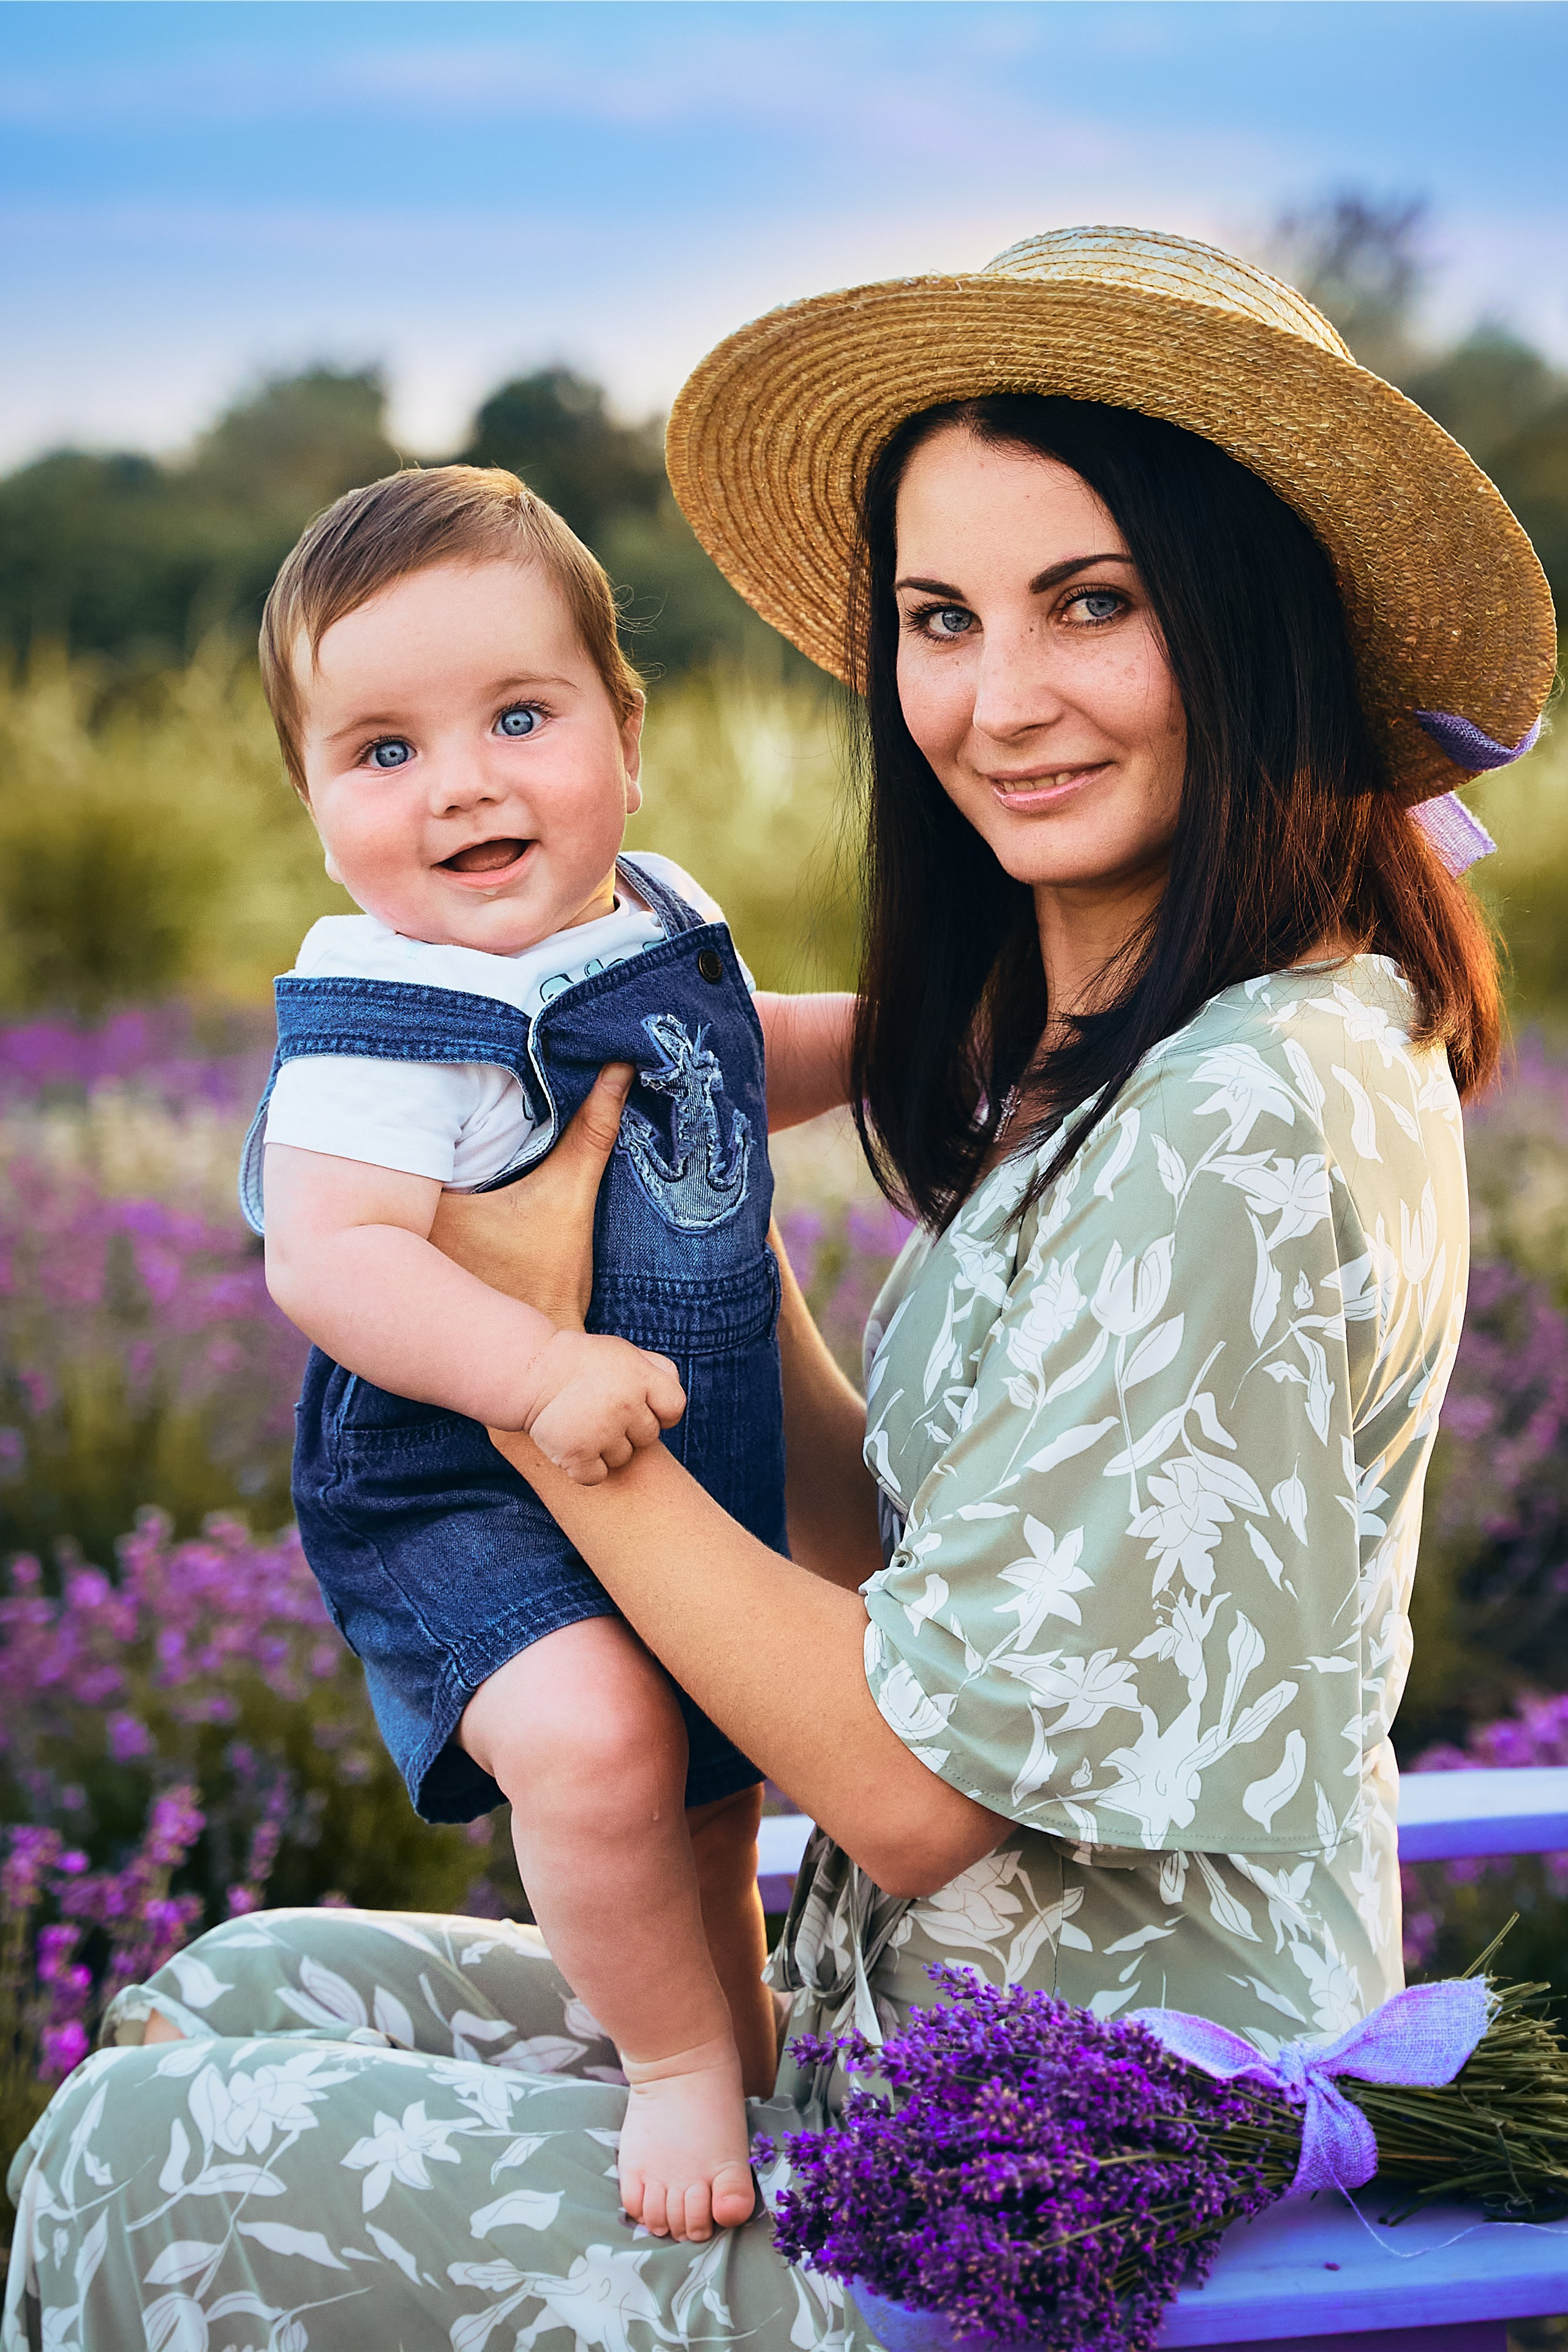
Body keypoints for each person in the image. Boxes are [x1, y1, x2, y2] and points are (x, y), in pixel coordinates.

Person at [6, 226, 1555, 2351]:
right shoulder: (1161, 1047)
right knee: (231, 1987)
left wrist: (552, 1387)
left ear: (1255, 621)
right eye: (941, 619)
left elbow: (911, 1797)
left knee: (132, 2147)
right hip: (903, 2036)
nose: (997, 703)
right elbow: (902, 1574)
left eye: (1094, 602)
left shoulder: (1245, 1119)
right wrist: (684, 1245)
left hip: (1044, 2164)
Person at [233, 464, 854, 2236]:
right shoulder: (387, 1019)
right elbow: (331, 1255)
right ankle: (669, 2063)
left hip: (675, 1453)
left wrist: (908, 1049)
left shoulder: (650, 918)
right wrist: (530, 1372)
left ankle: (745, 2047)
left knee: (713, 1794)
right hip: (461, 1485)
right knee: (594, 1744)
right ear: (314, 805)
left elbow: (741, 1054)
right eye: (384, 751)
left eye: (520, 717)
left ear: (625, 741)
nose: (464, 784)